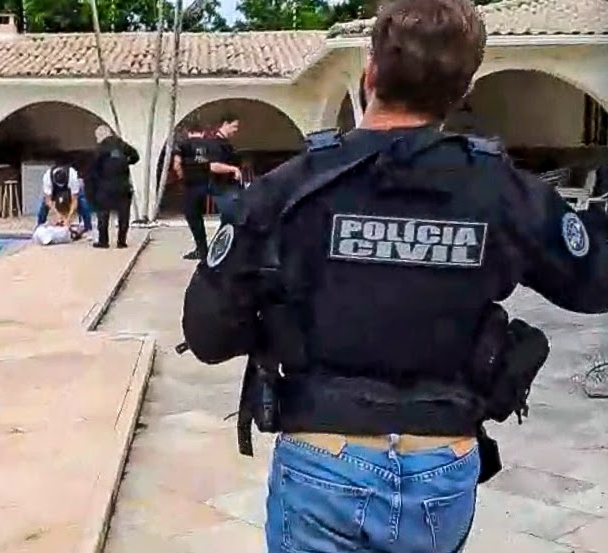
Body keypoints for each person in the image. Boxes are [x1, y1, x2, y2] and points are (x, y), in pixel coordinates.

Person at [179, 0, 608, 551]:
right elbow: (592, 281)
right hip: (441, 462)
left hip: (323, 458)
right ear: (461, 89)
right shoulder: (506, 193)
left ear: (370, 74)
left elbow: (207, 333)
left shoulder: (287, 188)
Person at [88, 125, 140, 249]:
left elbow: (94, 170)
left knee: (103, 213)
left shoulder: (100, 149)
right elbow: (136, 156)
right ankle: (121, 242)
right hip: (123, 185)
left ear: (100, 136)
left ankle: (103, 241)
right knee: (124, 214)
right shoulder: (122, 144)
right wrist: (126, 162)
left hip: (105, 186)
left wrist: (93, 187)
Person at [174, 117, 214, 261]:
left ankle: (202, 249)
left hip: (191, 186)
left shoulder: (183, 145)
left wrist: (182, 177)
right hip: (208, 184)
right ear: (202, 132)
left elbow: (176, 165)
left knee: (194, 218)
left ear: (188, 132)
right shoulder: (210, 145)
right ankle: (209, 249)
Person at [32, 163, 85, 245]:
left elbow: (74, 200)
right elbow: (48, 200)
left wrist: (68, 219)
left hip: (68, 190)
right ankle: (39, 224)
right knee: (43, 205)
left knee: (82, 201)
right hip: (54, 191)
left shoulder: (73, 176)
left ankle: (87, 227)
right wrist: (57, 214)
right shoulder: (47, 177)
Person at [206, 114, 243, 224]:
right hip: (222, 188)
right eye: (234, 126)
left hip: (230, 187)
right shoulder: (214, 143)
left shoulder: (226, 143)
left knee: (231, 220)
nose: (236, 130)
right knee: (232, 218)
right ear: (225, 124)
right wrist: (234, 169)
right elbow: (213, 166)